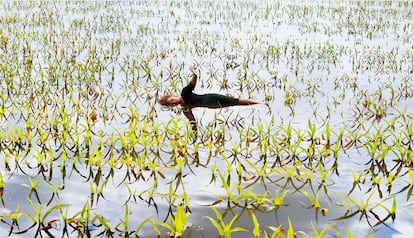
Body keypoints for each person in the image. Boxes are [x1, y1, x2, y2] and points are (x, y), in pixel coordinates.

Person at [158, 67, 267, 130]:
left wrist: (195, 74)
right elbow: (192, 121)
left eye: (172, 100)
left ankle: (261, 103)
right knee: (234, 103)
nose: (174, 102)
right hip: (211, 106)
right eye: (172, 104)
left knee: (235, 101)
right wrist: (194, 135)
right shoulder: (185, 108)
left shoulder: (184, 93)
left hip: (212, 98)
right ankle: (260, 104)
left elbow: (193, 82)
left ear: (172, 96)